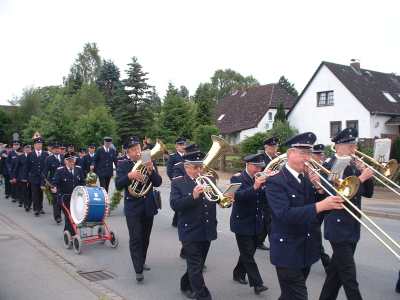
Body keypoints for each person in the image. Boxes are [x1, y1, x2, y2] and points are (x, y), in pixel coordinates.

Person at [265, 132, 344, 300]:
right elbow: (284, 215)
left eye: (309, 153)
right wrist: (320, 205)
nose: (307, 158)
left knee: (289, 295)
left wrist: (321, 191)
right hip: (287, 252)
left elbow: (319, 212)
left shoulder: (307, 179)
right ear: (290, 154)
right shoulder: (275, 181)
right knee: (299, 296)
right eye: (303, 153)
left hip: (306, 248)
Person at [319, 128, 374, 300]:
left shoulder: (353, 166)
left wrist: (367, 174)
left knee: (335, 275)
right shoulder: (330, 166)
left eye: (354, 144)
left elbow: (367, 193)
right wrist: (362, 178)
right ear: (337, 147)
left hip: (352, 227)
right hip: (338, 228)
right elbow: (338, 196)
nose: (353, 148)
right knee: (349, 277)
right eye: (349, 145)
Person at [170, 150, 230, 300]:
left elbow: (217, 199)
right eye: (196, 167)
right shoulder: (178, 182)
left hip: (207, 228)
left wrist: (226, 200)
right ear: (187, 167)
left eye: (200, 167)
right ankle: (203, 295)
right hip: (189, 230)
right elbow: (175, 205)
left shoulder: (209, 179)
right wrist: (193, 196)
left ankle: (185, 283)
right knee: (196, 265)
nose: (199, 170)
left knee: (197, 263)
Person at [115, 137, 162, 283]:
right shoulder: (123, 163)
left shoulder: (148, 158)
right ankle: (138, 269)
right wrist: (130, 176)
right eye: (134, 150)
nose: (137, 152)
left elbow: (158, 182)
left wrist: (151, 170)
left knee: (145, 237)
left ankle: (141, 260)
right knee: (136, 238)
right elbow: (118, 184)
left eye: (138, 148)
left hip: (148, 204)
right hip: (133, 207)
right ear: (128, 152)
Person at [230, 153, 269, 295]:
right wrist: (255, 187)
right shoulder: (236, 178)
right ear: (247, 164)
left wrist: (267, 185)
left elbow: (264, 199)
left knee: (249, 252)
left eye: (260, 167)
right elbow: (237, 197)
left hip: (256, 222)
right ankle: (257, 284)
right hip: (241, 222)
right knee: (248, 254)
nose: (258, 169)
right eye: (255, 166)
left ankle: (238, 273)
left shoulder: (261, 178)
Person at [52, 152, 85, 236]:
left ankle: (67, 232)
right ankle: (73, 234)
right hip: (64, 197)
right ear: (65, 161)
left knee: (75, 216)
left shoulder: (79, 169)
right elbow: (55, 182)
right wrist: (54, 188)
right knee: (69, 216)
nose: (72, 162)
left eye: (73, 160)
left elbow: (82, 182)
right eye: (69, 160)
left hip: (76, 198)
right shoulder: (60, 171)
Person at [311, 144, 331, 271]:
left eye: (321, 154)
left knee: (313, 234)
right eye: (317, 154)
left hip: (321, 206)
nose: (320, 156)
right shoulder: (305, 169)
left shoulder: (325, 168)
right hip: (309, 207)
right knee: (314, 235)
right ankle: (327, 263)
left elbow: (325, 190)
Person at [258, 136, 278, 250]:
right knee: (269, 218)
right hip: (264, 191)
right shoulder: (261, 158)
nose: (274, 148)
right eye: (272, 146)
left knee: (268, 218)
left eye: (275, 146)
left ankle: (259, 240)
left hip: (275, 191)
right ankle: (275, 245)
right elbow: (257, 173)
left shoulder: (277, 158)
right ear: (266, 147)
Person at [167, 137, 187, 227]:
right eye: (180, 145)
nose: (183, 146)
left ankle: (177, 220)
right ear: (176, 146)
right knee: (179, 200)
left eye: (183, 144)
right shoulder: (173, 157)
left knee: (185, 200)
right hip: (177, 183)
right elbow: (169, 171)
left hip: (187, 182)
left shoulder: (188, 156)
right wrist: (175, 181)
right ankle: (176, 221)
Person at [27, 137, 48, 216]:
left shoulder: (45, 154)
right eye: (38, 144)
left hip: (42, 177)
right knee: (35, 193)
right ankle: (36, 209)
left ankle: (40, 207)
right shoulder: (30, 154)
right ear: (34, 145)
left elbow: (46, 167)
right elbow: (27, 166)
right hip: (33, 177)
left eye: (41, 144)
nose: (39, 145)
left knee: (40, 193)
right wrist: (27, 178)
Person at [43, 142, 64, 223]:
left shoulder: (63, 157)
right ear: (52, 150)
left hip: (64, 182)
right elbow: (45, 171)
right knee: (56, 200)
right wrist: (43, 182)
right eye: (55, 149)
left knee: (64, 199)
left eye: (58, 148)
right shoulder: (49, 159)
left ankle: (66, 214)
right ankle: (57, 216)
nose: (57, 150)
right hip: (53, 182)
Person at [13, 144, 32, 211]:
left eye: (29, 148)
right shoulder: (20, 157)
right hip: (22, 176)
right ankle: (26, 205)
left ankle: (29, 204)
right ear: (24, 150)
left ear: (30, 149)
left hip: (31, 177)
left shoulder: (33, 156)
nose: (27, 150)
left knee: (30, 191)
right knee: (24, 191)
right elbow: (16, 167)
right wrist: (14, 177)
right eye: (26, 148)